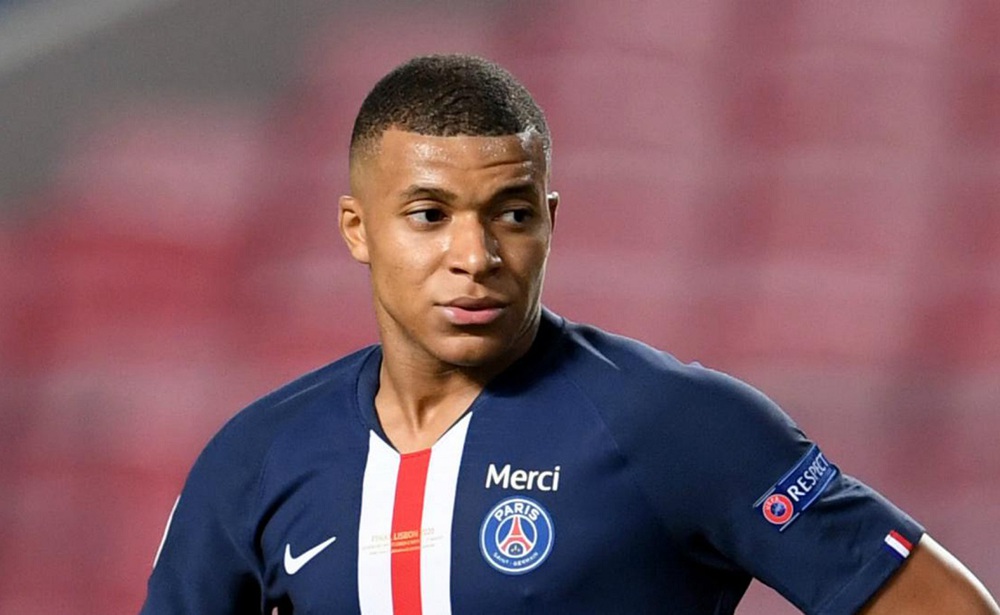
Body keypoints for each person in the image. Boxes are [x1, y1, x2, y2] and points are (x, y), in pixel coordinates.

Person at [140, 54, 998, 614]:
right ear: (358, 229)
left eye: (511, 213)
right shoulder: (257, 458)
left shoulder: (676, 423)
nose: (475, 255)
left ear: (549, 220)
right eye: (430, 215)